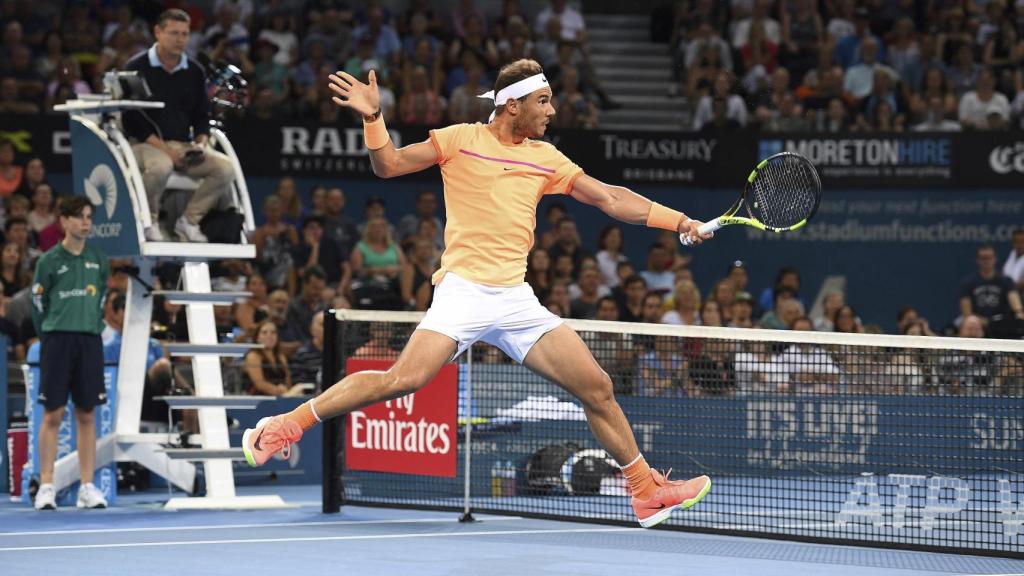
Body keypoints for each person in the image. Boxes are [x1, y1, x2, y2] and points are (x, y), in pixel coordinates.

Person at [242, 59, 713, 528]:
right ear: (512, 105)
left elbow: (609, 197)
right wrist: (373, 117)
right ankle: (285, 426)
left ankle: (645, 491)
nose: (551, 111)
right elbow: (388, 165)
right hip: (464, 291)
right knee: (401, 380)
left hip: (515, 298)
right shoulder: (459, 140)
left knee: (599, 388)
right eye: (542, 101)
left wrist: (680, 222)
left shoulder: (545, 157)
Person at [122, 9, 235, 242]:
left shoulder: (195, 71)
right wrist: (167, 151)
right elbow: (132, 122)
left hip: (184, 146)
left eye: (184, 34)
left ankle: (189, 222)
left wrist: (201, 144)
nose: (180, 39)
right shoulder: (135, 67)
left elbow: (201, 116)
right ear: (158, 32)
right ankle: (148, 221)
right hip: (147, 145)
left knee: (225, 168)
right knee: (161, 166)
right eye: (173, 33)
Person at [30, 196, 110, 510]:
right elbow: (39, 306)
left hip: (89, 342)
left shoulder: (99, 260)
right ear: (64, 221)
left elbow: (101, 299)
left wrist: (88, 324)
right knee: (53, 414)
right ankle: (46, 485)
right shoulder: (48, 261)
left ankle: (87, 487)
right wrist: (50, 333)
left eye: (89, 216)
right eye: (78, 217)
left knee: (87, 415)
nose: (85, 222)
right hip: (57, 341)